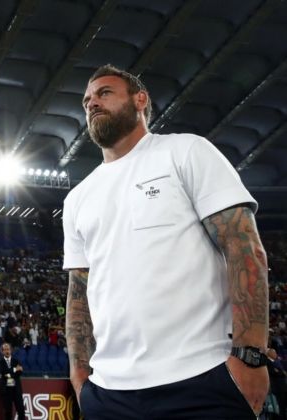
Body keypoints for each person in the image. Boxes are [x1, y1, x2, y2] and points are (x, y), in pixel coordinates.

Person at [63, 64, 269, 419]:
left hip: (201, 378)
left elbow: (243, 245)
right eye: (87, 100)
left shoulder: (186, 152)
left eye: (104, 93)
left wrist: (250, 355)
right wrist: (79, 374)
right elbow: (79, 290)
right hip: (110, 392)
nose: (92, 103)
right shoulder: (78, 197)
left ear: (140, 99)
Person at [0, 343, 25, 420]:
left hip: (16, 389)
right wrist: (14, 370)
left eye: (8, 349)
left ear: (11, 350)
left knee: (21, 410)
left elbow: (20, 372)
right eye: (5, 350)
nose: (7, 351)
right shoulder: (0, 362)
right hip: (6, 390)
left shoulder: (16, 361)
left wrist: (9, 374)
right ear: (2, 351)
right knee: (8, 412)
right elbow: (3, 372)